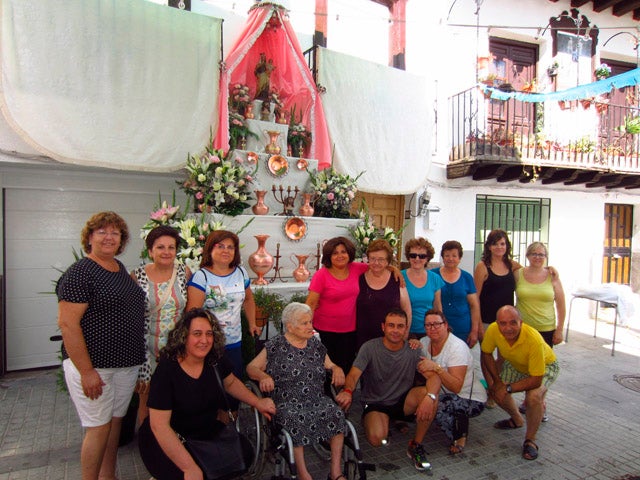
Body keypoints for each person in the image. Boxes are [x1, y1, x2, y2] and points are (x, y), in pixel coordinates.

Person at [56, 211, 145, 480]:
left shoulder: (118, 268)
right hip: (96, 367)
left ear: (122, 240)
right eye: (102, 232)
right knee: (98, 427)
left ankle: (108, 476)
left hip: (125, 365)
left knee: (115, 424)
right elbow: (68, 324)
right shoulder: (80, 273)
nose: (109, 237)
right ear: (89, 238)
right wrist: (87, 372)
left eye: (115, 233)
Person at [138, 308, 276, 480]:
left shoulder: (214, 359)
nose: (204, 340)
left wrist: (257, 402)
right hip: (170, 437)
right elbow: (159, 426)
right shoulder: (167, 369)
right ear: (183, 336)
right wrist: (189, 467)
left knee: (243, 454)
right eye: (197, 334)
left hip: (205, 431)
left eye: (209, 334)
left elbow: (230, 383)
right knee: (192, 472)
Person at [246, 303, 347, 480]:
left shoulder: (315, 344)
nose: (310, 327)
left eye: (310, 322)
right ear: (290, 327)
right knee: (295, 419)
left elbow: (330, 364)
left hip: (316, 398)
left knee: (336, 414)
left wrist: (336, 368)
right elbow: (251, 368)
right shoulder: (275, 346)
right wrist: (262, 376)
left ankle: (336, 472)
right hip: (286, 401)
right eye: (304, 323)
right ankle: (303, 474)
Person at [336, 308, 437, 472]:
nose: (395, 330)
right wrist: (347, 391)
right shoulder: (369, 347)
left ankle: (416, 445)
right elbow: (354, 375)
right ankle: (375, 420)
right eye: (391, 325)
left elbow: (434, 378)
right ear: (383, 327)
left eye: (400, 326)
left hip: (403, 402)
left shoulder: (414, 349)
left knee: (431, 395)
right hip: (376, 403)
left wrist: (430, 397)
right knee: (377, 440)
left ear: (406, 329)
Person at [480, 306, 560, 461]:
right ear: (497, 323)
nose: (508, 328)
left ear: (521, 322)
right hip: (516, 363)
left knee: (533, 397)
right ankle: (517, 419)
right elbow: (486, 353)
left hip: (545, 366)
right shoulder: (493, 329)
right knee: (495, 390)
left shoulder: (533, 339)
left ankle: (530, 440)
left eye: (513, 323)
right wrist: (497, 382)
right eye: (503, 323)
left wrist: (508, 388)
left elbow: (536, 379)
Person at [131, 225, 191, 424]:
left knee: (178, 396)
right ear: (150, 251)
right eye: (160, 247)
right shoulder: (137, 276)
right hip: (148, 350)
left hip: (178, 349)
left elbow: (190, 310)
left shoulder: (184, 272)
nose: (166, 252)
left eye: (171, 247)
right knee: (147, 398)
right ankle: (147, 438)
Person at [186, 230, 261, 380]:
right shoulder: (201, 277)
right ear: (210, 249)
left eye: (230, 247)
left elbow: (248, 300)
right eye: (220, 246)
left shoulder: (241, 273)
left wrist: (252, 323)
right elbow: (192, 315)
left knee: (234, 383)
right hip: (208, 344)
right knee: (212, 385)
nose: (226, 250)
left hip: (234, 342)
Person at [418, 310, 486, 454]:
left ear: (446, 325)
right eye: (428, 325)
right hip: (445, 393)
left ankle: (460, 434)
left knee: (435, 406)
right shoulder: (424, 342)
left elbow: (456, 387)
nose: (432, 328)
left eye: (437, 324)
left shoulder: (457, 347)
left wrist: (436, 367)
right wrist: (413, 344)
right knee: (424, 399)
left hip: (469, 397)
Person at [304, 236, 369, 374]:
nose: (340, 256)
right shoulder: (321, 275)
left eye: (343, 252)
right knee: (324, 371)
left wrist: (394, 270)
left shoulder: (356, 268)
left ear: (349, 253)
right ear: (329, 256)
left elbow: (377, 267)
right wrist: (306, 327)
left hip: (349, 332)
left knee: (345, 368)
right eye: (335, 253)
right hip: (324, 332)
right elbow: (310, 303)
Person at [356, 239, 412, 349]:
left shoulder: (396, 279)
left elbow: (407, 311)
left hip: (392, 340)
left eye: (381, 259)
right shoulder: (359, 278)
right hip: (363, 340)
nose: (376, 263)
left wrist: (404, 337)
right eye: (372, 258)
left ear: (388, 261)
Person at [515, 242, 566, 348]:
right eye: (534, 254)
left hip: (546, 329)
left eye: (541, 254)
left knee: (543, 358)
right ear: (527, 255)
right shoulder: (517, 274)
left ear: (545, 257)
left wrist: (559, 330)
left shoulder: (553, 276)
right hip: (523, 328)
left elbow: (561, 305)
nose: (537, 257)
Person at [431, 241, 481, 347]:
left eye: (454, 256)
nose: (450, 259)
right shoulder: (433, 275)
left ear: (460, 258)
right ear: (442, 257)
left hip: (462, 328)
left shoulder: (467, 277)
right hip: (438, 328)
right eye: (447, 255)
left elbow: (474, 305)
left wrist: (474, 331)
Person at [473, 229, 522, 330]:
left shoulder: (512, 265)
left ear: (507, 246)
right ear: (489, 247)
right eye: (495, 244)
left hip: (507, 323)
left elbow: (531, 272)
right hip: (487, 322)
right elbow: (475, 298)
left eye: (502, 244)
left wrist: (548, 269)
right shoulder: (482, 266)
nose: (499, 247)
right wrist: (479, 325)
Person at [402, 237, 444, 338]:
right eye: (413, 255)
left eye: (422, 256)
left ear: (427, 258)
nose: (417, 259)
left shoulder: (435, 278)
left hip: (429, 331)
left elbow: (437, 307)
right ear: (408, 257)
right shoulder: (400, 277)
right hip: (405, 330)